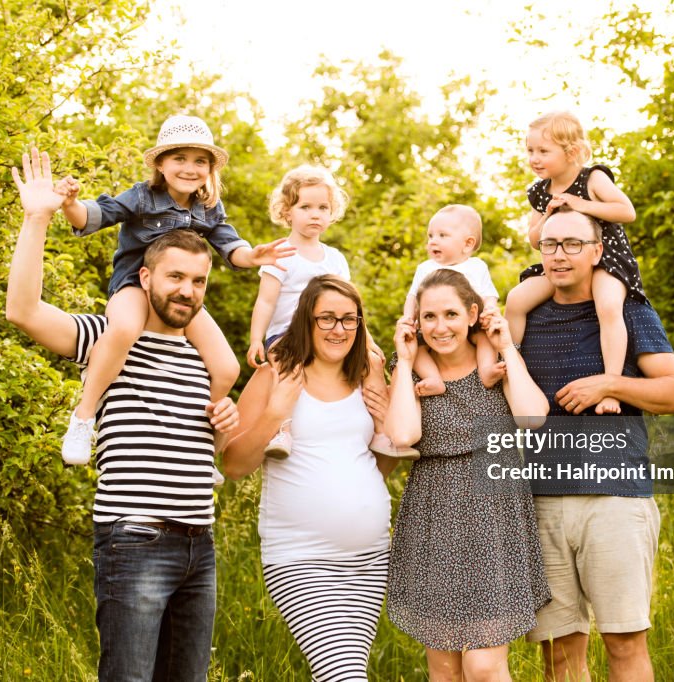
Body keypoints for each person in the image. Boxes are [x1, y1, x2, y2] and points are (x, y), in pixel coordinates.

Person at [6, 148, 240, 681]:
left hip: (198, 544)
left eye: (198, 281)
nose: (186, 290)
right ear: (145, 278)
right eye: (175, 277)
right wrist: (37, 218)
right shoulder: (105, 340)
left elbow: (207, 450)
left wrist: (222, 433)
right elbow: (22, 311)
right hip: (133, 539)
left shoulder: (205, 357)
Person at [53, 114, 294, 465]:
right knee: (122, 329)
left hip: (179, 299)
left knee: (227, 368)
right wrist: (70, 204)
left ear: (210, 169)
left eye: (200, 161)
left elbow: (230, 247)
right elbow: (94, 216)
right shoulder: (142, 197)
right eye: (179, 158)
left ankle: (204, 448)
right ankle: (84, 417)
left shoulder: (208, 208)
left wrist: (253, 256)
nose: (190, 168)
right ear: (162, 164)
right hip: (136, 286)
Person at [519, 207, 674, 682]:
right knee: (558, 651)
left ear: (598, 252)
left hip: (614, 499)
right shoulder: (525, 314)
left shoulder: (628, 310)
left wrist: (609, 385)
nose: (559, 255)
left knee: (623, 642)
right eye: (550, 244)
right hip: (541, 502)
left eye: (573, 244)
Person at [223, 275, 396, 682]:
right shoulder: (277, 375)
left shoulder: (365, 380)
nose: (339, 329)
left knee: (341, 672)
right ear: (306, 320)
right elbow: (233, 465)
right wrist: (274, 413)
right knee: (345, 676)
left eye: (349, 319)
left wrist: (386, 422)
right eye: (327, 319)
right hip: (302, 558)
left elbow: (378, 468)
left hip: (368, 560)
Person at [385, 268, 552, 682]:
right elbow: (404, 433)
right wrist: (405, 362)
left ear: (473, 313)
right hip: (434, 519)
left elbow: (532, 417)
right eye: (429, 317)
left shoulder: (494, 365)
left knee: (482, 667)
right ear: (416, 321)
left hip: (495, 521)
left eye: (451, 314)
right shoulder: (411, 371)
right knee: (445, 670)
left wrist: (507, 347)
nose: (440, 327)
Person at [246, 165, 414, 460]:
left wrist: (370, 342)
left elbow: (351, 308)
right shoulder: (280, 253)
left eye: (323, 207)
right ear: (287, 212)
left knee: (372, 362)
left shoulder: (334, 258)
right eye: (305, 206)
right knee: (286, 367)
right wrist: (256, 338)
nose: (315, 214)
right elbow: (266, 302)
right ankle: (282, 430)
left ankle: (381, 431)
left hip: (333, 331)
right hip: (286, 334)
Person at [505, 111, 642, 416]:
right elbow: (533, 238)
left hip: (605, 258)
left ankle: (612, 385)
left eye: (543, 151)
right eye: (530, 150)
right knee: (516, 300)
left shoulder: (592, 178)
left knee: (608, 306)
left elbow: (626, 211)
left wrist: (582, 205)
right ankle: (511, 368)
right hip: (562, 261)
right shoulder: (540, 192)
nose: (534, 158)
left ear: (571, 152)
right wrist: (549, 215)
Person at [401, 204, 504, 396]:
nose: (433, 242)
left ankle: (486, 371)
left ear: (467, 244)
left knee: (484, 339)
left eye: (442, 236)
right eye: (430, 236)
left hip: (474, 323)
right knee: (418, 349)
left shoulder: (476, 266)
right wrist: (408, 317)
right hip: (434, 327)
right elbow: (412, 296)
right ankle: (433, 378)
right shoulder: (426, 268)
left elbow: (489, 293)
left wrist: (490, 309)